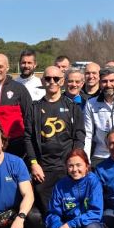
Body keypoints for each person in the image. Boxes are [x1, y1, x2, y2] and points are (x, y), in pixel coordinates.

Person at [23, 64, 86, 212]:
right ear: (43, 81)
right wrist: (33, 163)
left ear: (62, 81)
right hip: (42, 167)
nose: (52, 81)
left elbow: (79, 136)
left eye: (56, 78)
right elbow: (28, 138)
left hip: (65, 166)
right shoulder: (34, 108)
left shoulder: (72, 107)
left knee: (68, 205)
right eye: (48, 78)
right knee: (47, 207)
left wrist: (75, 162)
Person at [42, 149, 105, 228]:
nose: (74, 169)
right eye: (71, 165)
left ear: (87, 166)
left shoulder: (93, 182)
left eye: (78, 165)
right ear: (66, 167)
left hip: (84, 226)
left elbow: (95, 212)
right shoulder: (60, 185)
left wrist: (70, 225)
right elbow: (53, 212)